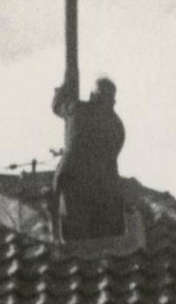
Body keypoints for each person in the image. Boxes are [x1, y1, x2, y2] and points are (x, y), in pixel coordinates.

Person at [51, 76, 126, 240]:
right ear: (113, 100)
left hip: (71, 180)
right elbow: (112, 157)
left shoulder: (77, 109)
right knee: (95, 238)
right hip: (102, 187)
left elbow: (57, 106)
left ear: (93, 95)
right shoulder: (118, 126)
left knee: (72, 234)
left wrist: (62, 88)